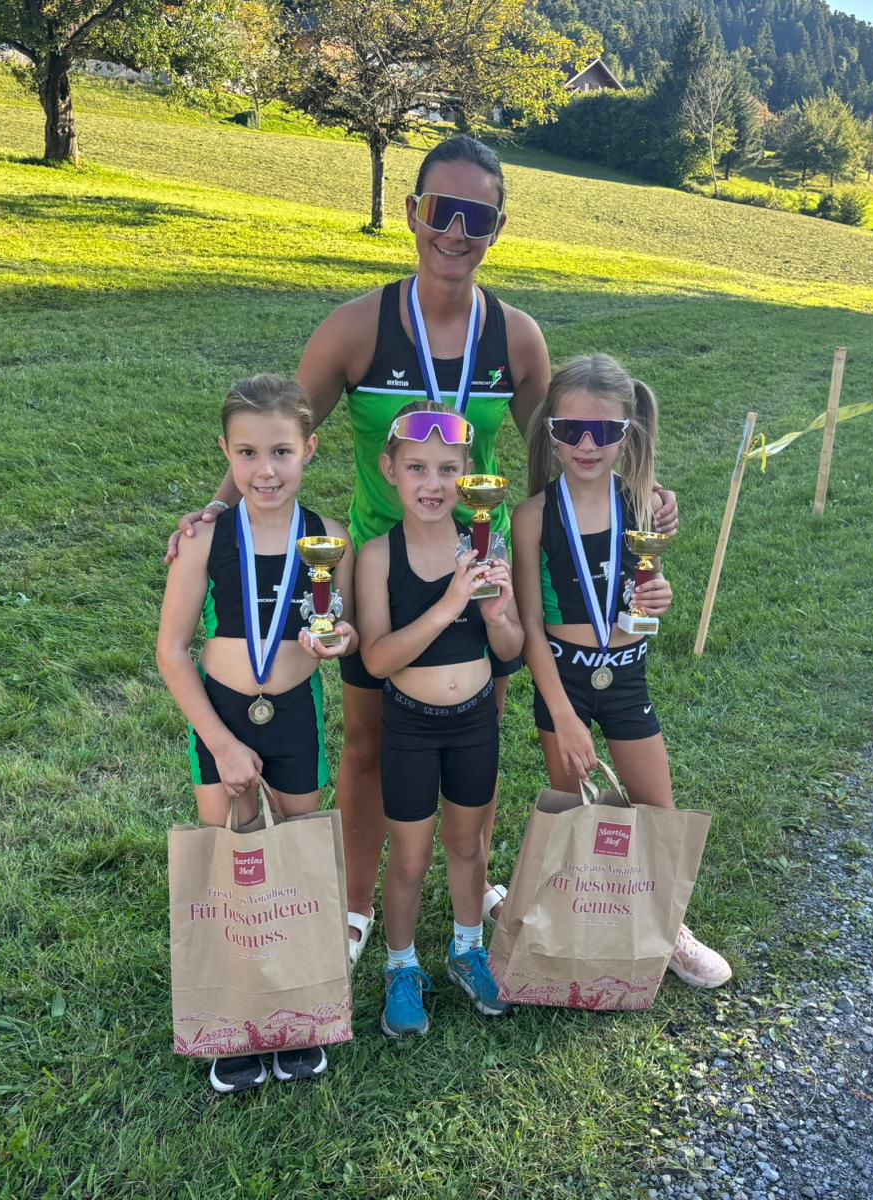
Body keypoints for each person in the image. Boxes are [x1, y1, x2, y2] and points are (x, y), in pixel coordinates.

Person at [166, 134, 680, 965]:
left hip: (478, 576)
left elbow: (563, 459)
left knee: (478, 730)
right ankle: (358, 905)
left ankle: (475, 894)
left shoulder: (517, 339)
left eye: (478, 216)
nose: (457, 232)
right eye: (443, 210)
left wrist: (638, 501)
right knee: (369, 744)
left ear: (498, 228)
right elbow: (283, 430)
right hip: (377, 571)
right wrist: (215, 509)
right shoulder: (355, 328)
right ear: (413, 212)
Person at [156, 375, 357, 1093]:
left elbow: (344, 624)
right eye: (247, 453)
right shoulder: (206, 539)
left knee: (296, 863)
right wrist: (220, 742)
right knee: (230, 865)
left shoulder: (331, 537)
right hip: (223, 718)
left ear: (310, 449)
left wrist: (341, 640)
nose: (265, 470)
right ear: (225, 452)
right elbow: (172, 651)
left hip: (295, 714)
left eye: (281, 452)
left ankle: (297, 1013)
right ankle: (235, 1018)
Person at [510, 355, 733, 990]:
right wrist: (562, 716)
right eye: (571, 430)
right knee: (573, 814)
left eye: (604, 431)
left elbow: (645, 590)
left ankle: (669, 929)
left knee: (657, 809)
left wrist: (658, 596)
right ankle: (574, 923)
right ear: (550, 431)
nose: (587, 444)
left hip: (627, 674)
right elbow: (530, 627)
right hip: (563, 681)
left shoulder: (645, 504)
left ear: (628, 432)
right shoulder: (531, 516)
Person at [354, 403, 524, 1036]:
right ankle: (401, 966)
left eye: (448, 469)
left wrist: (497, 614)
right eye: (417, 468)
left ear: (468, 475)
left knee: (468, 845)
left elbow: (510, 648)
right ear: (389, 470)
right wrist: (451, 601)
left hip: (474, 722)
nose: (433, 483)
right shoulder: (377, 556)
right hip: (410, 726)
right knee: (410, 857)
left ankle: (467, 949)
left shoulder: (486, 547)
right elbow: (377, 659)